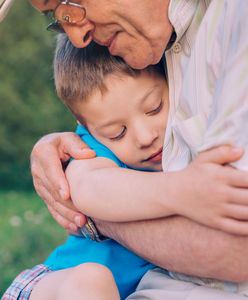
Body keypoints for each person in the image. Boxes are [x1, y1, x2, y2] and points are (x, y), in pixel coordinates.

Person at [3, 0, 248, 298]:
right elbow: (90, 188)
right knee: (92, 282)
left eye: (155, 108)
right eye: (116, 133)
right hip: (53, 285)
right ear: (89, 129)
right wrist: (182, 190)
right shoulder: (90, 151)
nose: (145, 137)